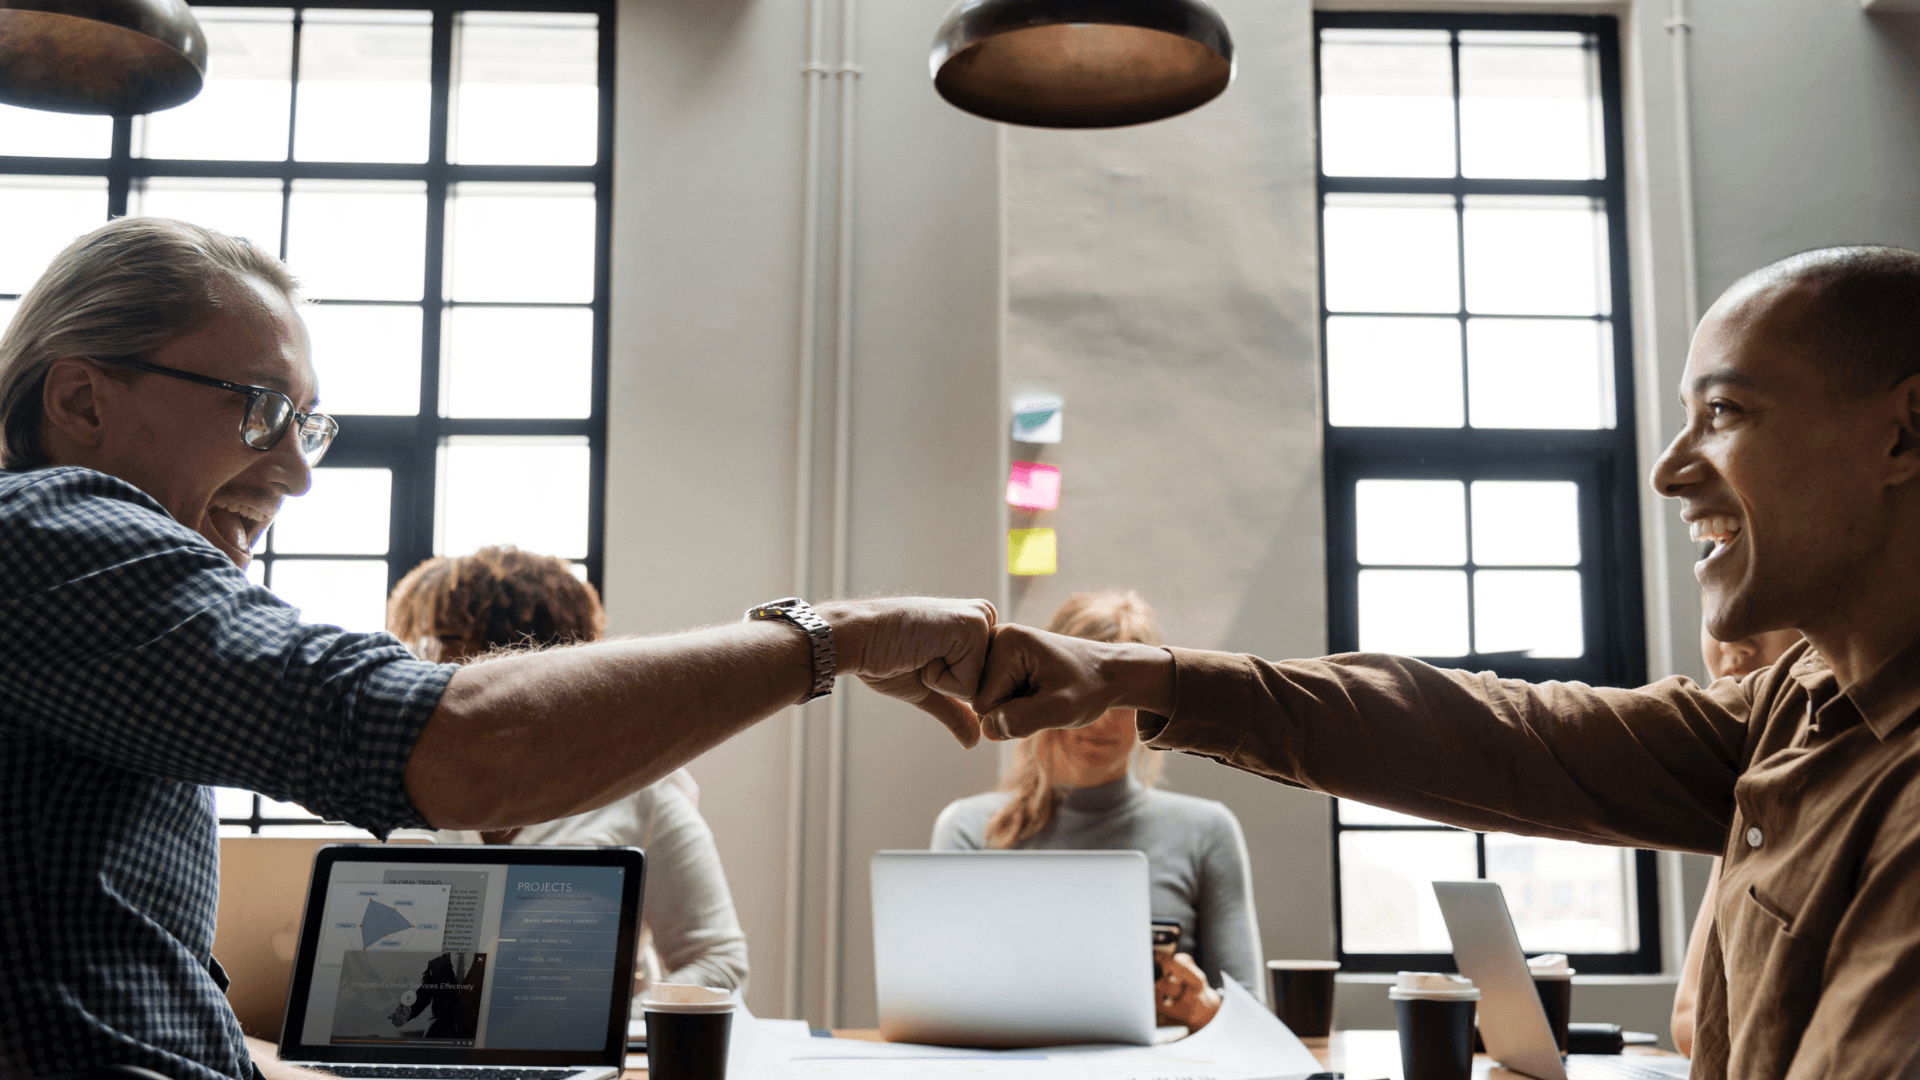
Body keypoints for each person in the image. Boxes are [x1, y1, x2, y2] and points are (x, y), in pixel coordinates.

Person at [0, 217, 995, 1080]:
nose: (298, 473)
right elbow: (465, 744)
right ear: (81, 400)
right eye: (260, 409)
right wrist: (842, 637)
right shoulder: (54, 533)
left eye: (309, 424)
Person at [970, 246, 1920, 1080]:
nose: (1671, 468)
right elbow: (1491, 733)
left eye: (1724, 410)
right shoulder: (1786, 709)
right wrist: (1142, 678)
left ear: (1905, 432)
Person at [387, 546, 750, 996]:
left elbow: (717, 963)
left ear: (509, 651)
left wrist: (605, 1022)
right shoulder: (399, 785)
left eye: (435, 641)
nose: (417, 663)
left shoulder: (640, 792)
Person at [929, 591, 1262, 1030]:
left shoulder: (1207, 831)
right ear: (1038, 695)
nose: (1102, 718)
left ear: (1153, 708)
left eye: (1123, 697)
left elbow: (1253, 1020)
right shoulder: (969, 829)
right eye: (1082, 693)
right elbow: (937, 1005)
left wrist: (1204, 1009)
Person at [1669, 602, 1801, 1057]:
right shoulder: (1748, 790)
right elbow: (1689, 1020)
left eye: (1763, 610)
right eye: (1715, 610)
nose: (1733, 643)